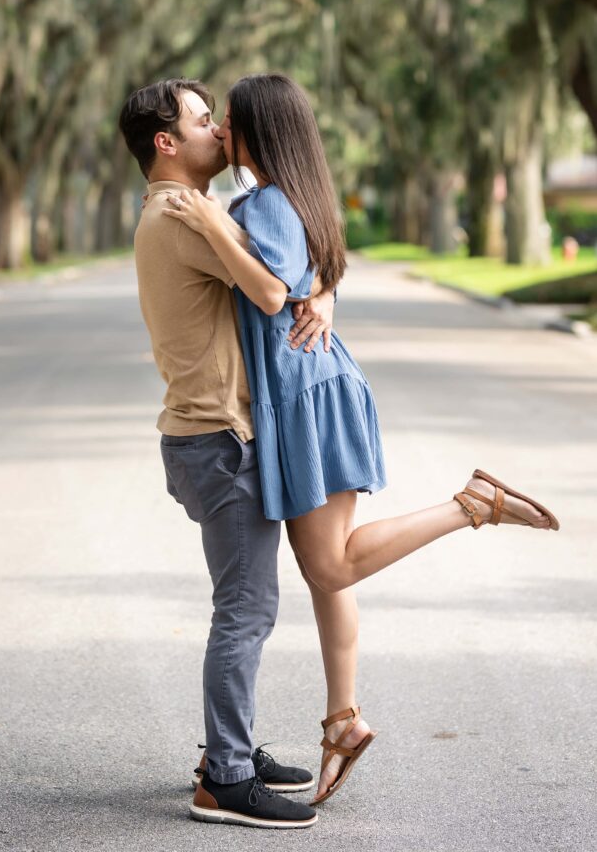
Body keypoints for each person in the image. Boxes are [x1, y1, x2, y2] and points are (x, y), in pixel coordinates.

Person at [161, 72, 561, 806]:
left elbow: (273, 288)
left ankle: (471, 504)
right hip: (303, 395)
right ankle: (341, 721)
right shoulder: (275, 198)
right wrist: (320, 287)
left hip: (311, 398)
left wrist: (215, 222)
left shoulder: (271, 203)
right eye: (211, 122)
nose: (219, 132)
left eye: (230, 122)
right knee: (325, 570)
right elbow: (305, 276)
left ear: (260, 133)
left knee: (333, 565)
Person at [118, 79, 327, 830]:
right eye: (204, 121)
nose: (220, 132)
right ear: (166, 143)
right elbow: (274, 291)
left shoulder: (194, 212)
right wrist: (299, 284)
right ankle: (226, 778)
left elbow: (298, 264)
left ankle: (226, 753)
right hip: (215, 438)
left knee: (245, 606)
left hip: (206, 436)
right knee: (244, 610)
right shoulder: (182, 214)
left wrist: (324, 291)